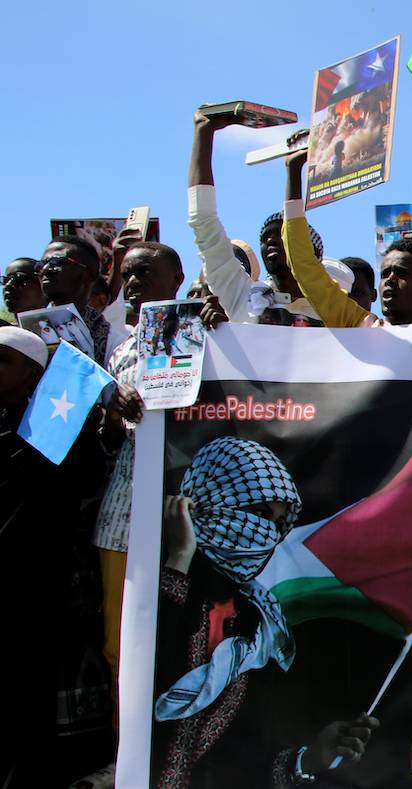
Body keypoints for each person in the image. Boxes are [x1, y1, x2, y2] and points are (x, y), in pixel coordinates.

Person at [152, 437, 378, 787]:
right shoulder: (145, 572)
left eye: (276, 522)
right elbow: (143, 675)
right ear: (205, 500)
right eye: (258, 514)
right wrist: (178, 561)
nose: (266, 533)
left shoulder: (258, 627)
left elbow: (246, 753)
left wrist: (310, 759)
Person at [1, 327, 109, 786]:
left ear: (33, 373)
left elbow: (83, 481)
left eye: (3, 360)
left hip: (35, 590)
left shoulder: (54, 424)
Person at [92, 241, 186, 737]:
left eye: (144, 272)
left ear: (176, 277)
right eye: (126, 274)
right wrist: (113, 408)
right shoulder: (120, 350)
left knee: (170, 642)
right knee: (117, 646)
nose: (132, 282)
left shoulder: (203, 337)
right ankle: (125, 755)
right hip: (121, 520)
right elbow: (107, 439)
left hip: (177, 520)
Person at [189, 109, 323, 324]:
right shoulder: (242, 297)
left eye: (281, 234)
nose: (270, 240)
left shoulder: (333, 309)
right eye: (264, 237)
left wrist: (295, 169)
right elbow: (204, 223)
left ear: (314, 252)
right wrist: (204, 133)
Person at [280, 150, 412, 327]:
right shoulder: (360, 325)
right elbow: (303, 264)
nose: (389, 279)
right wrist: (294, 171)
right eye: (385, 273)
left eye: (402, 273)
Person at [39, 235, 111, 361]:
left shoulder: (113, 341)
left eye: (57, 262)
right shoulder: (28, 333)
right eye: (41, 264)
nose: (45, 270)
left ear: (89, 275)